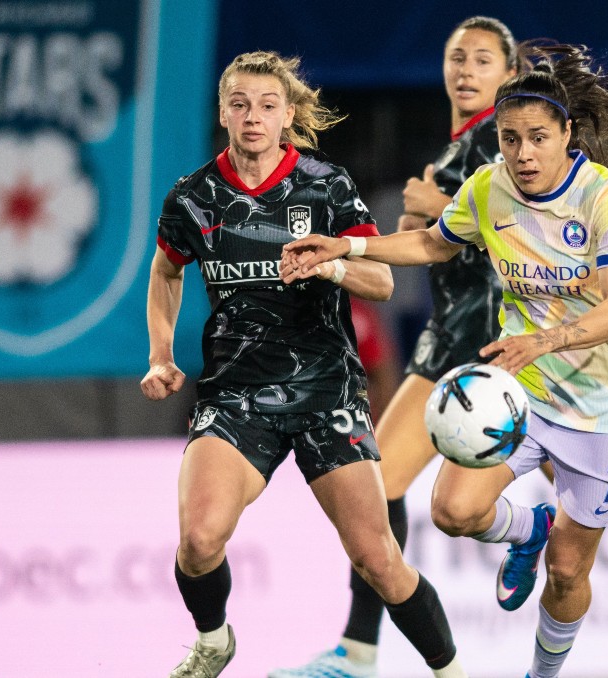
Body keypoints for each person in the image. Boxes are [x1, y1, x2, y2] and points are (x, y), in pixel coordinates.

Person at [280, 41, 608, 678]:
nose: (523, 153)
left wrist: (544, 339)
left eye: (537, 137)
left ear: (567, 132)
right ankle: (525, 531)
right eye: (509, 139)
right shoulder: (489, 186)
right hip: (527, 391)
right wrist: (344, 245)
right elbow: (432, 242)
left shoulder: (605, 197)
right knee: (454, 511)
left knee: (569, 572)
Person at [141, 51, 465, 678]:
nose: (253, 117)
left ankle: (450, 670)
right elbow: (165, 269)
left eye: (266, 106)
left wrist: (332, 264)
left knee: (379, 558)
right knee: (200, 541)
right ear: (223, 112)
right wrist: (160, 353)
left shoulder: (325, 185)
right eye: (239, 104)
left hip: (325, 389)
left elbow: (382, 283)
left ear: (287, 114)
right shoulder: (194, 197)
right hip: (236, 394)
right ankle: (214, 640)